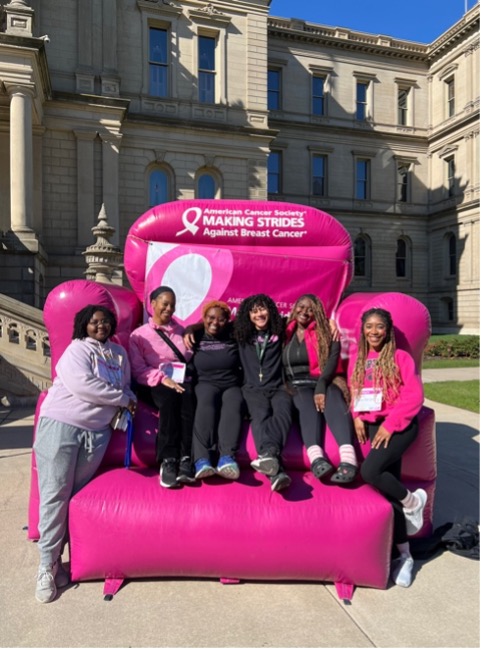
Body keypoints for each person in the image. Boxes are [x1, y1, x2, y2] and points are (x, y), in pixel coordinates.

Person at [34, 304, 137, 604]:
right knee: (55, 495)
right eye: (94, 322)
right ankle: (45, 565)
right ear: (83, 325)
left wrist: (125, 398)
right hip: (62, 426)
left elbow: (128, 386)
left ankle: (58, 562)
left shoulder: (118, 354)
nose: (100, 326)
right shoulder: (77, 349)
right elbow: (84, 385)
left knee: (73, 497)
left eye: (106, 322)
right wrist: (121, 398)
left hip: (97, 433)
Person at [348, 307, 427, 588]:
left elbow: (414, 396)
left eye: (379, 326)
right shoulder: (358, 359)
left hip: (399, 427)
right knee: (386, 485)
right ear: (363, 329)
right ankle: (404, 556)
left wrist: (390, 425)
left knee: (370, 472)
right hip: (371, 426)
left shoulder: (400, 357)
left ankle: (413, 502)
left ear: (388, 330)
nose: (373, 332)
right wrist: (357, 416)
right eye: (369, 326)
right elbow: (354, 388)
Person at [283, 294, 358, 482]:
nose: (304, 312)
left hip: (324, 379)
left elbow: (333, 358)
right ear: (294, 308)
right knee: (304, 401)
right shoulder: (284, 331)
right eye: (301, 307)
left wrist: (322, 386)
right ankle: (316, 458)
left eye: (310, 309)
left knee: (334, 395)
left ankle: (348, 459)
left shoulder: (326, 331)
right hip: (296, 384)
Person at [129, 286, 195, 489]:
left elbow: (191, 357)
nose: (169, 309)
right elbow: (138, 369)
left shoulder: (182, 332)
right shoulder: (138, 335)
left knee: (188, 396)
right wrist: (161, 378)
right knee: (169, 399)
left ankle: (185, 457)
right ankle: (168, 460)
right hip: (152, 382)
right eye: (165, 304)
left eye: (172, 305)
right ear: (153, 304)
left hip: (181, 380)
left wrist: (193, 332)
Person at [234, 294, 292, 492]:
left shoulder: (280, 330)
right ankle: (276, 472)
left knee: (283, 413)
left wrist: (332, 325)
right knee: (260, 417)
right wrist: (193, 328)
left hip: (278, 387)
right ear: (248, 316)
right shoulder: (241, 334)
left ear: (271, 311)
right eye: (254, 311)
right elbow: (212, 321)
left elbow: (308, 318)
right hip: (253, 389)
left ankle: (269, 456)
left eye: (263, 309)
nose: (259, 314)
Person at [190, 300, 244, 480]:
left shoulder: (233, 334)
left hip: (231, 383)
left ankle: (226, 457)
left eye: (221, 319)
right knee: (205, 402)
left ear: (227, 321)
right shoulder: (195, 336)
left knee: (234, 402)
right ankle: (201, 459)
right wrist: (191, 328)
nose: (215, 322)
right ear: (204, 318)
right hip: (206, 383)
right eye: (211, 318)